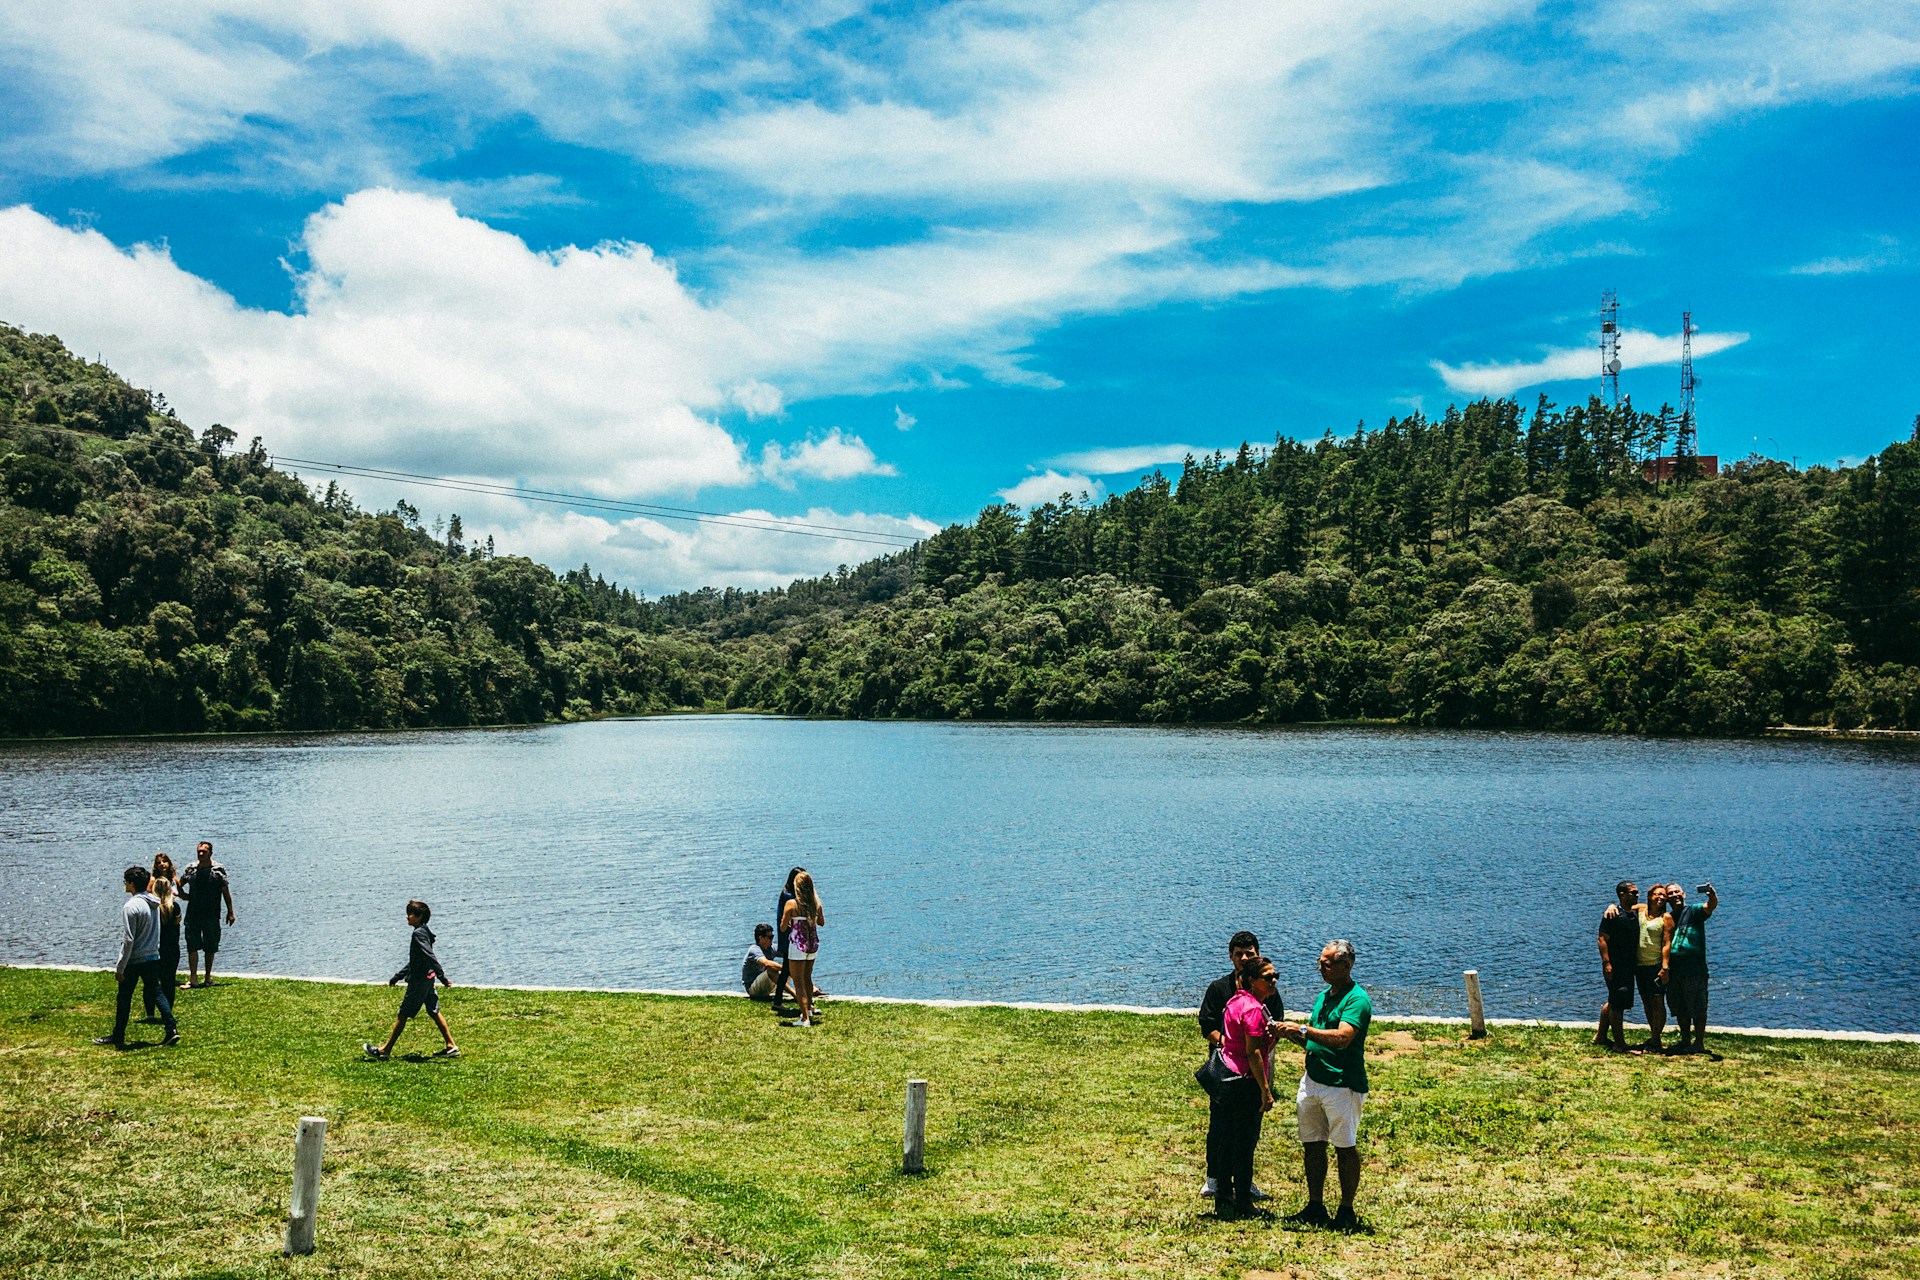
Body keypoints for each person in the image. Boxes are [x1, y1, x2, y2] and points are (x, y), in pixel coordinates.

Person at [1276, 939, 1371, 1232]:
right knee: (1312, 1145)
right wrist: (1287, 1032)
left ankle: (1346, 1210)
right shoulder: (1323, 997)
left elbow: (1343, 1037)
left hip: (1343, 1085)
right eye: (1320, 962)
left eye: (1328, 963)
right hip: (1313, 1081)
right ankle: (1315, 1205)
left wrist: (1302, 1029)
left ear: (1347, 965)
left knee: (1344, 1147)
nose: (1322, 968)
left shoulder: (1357, 1000)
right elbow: (1312, 1037)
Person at [1197, 930, 1284, 1199]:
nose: (1244, 957)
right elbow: (1208, 1025)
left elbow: (1273, 1025)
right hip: (1228, 1068)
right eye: (1239, 954)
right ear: (1231, 956)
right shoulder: (1222, 990)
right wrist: (1231, 1045)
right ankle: (1218, 1181)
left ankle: (1235, 1185)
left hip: (1251, 1065)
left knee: (1246, 1131)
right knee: (1223, 1127)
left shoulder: (1264, 994)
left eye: (1250, 953)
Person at [94, 866, 178, 1048]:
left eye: (126, 882)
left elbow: (128, 939)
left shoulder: (131, 906)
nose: (125, 885)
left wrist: (120, 966)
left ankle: (118, 1035)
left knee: (124, 997)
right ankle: (171, 1028)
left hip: (135, 959)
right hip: (153, 956)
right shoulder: (154, 903)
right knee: (156, 992)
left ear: (131, 883)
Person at [364, 900, 458, 1060]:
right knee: (433, 1011)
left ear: (420, 916)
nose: (407, 916)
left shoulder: (418, 934)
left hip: (420, 981)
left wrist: (442, 977)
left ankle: (385, 1051)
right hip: (428, 978)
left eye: (411, 914)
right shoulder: (424, 931)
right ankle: (451, 1046)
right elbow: (416, 961)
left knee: (403, 1014)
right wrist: (397, 977)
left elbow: (429, 956)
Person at [1664, 882, 1718, 1055]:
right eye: (1670, 893)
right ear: (1666, 898)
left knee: (1698, 1007)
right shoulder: (1668, 917)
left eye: (1677, 892)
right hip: (1675, 970)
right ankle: (1685, 1040)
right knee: (1680, 1008)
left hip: (1695, 970)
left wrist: (1711, 895)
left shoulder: (1693, 911)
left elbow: (1710, 907)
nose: (1674, 895)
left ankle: (1699, 1042)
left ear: (1684, 894)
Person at [178, 841, 235, 988]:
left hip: (211, 914)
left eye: (204, 851)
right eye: (199, 851)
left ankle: (208, 977)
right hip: (193, 914)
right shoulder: (191, 869)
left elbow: (225, 892)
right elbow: (179, 883)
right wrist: (183, 895)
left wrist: (230, 912)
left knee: (210, 946)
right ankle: (193, 978)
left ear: (210, 853)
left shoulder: (218, 870)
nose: (201, 854)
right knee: (192, 945)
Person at [1594, 881, 1641, 1053]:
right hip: (1615, 965)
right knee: (1618, 1003)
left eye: (1637, 893)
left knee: (1614, 1000)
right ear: (1622, 894)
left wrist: (1612, 903)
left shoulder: (1635, 911)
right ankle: (1619, 1044)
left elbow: (1647, 905)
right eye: (1633, 893)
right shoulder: (1612, 915)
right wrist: (1607, 963)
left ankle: (1600, 1037)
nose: (1636, 895)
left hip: (1630, 965)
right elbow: (1602, 939)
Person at [1633, 884, 1674, 1052]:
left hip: (1656, 965)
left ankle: (1656, 1039)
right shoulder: (1640, 910)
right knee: (1646, 1001)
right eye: (1658, 894)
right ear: (1650, 896)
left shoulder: (1666, 918)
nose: (1661, 898)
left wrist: (1665, 967)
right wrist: (1611, 907)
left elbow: (1667, 943)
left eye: (1664, 896)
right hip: (1639, 965)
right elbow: (1623, 907)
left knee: (1657, 1002)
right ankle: (1653, 1035)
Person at [781, 871, 824, 1028]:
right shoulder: (816, 904)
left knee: (797, 980)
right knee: (807, 977)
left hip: (798, 945)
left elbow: (783, 926)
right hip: (812, 945)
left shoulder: (791, 904)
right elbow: (821, 923)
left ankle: (804, 1017)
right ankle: (809, 1009)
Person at [145, 874, 183, 1022]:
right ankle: (167, 1012)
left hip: (154, 948)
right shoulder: (175, 907)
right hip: (171, 949)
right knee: (169, 982)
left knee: (151, 982)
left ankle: (150, 1013)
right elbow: (178, 924)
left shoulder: (151, 907)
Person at [742, 923, 781, 1000]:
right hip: (753, 989)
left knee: (794, 965)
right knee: (772, 970)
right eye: (770, 937)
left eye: (772, 937)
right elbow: (766, 963)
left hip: (765, 985)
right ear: (761, 938)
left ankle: (807, 990)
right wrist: (787, 969)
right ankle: (795, 995)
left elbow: (787, 953)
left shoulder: (771, 947)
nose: (772, 939)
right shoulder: (754, 949)